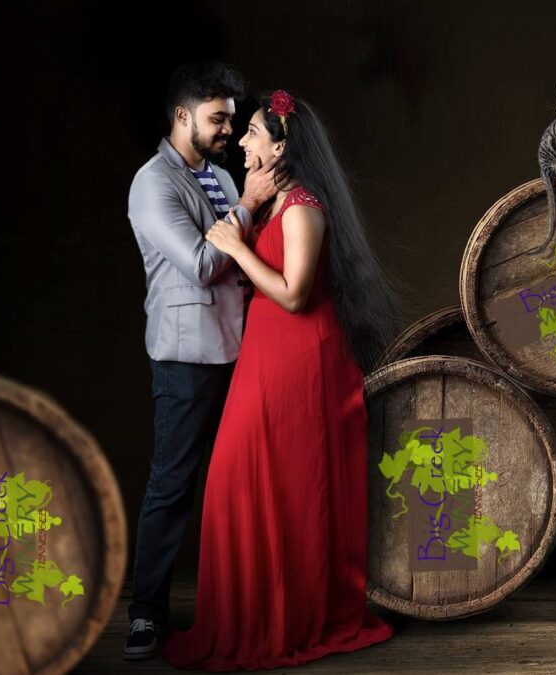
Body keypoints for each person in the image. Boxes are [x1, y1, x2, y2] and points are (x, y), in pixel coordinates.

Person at [158, 88, 403, 670]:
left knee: (288, 486)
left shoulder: (304, 206)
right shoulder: (276, 201)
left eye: (252, 133)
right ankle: (254, 614)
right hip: (266, 355)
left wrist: (235, 249)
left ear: (282, 144)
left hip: (300, 356)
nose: (241, 141)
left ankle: (287, 619)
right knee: (240, 482)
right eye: (239, 131)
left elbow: (294, 294)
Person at [124, 61, 280, 660]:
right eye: (217, 120)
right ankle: (146, 613)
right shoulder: (151, 183)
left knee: (237, 481)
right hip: (187, 357)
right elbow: (201, 261)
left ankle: (242, 603)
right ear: (182, 116)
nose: (226, 131)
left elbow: (243, 251)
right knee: (172, 485)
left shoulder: (215, 174)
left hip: (241, 349)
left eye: (232, 121)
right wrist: (249, 206)